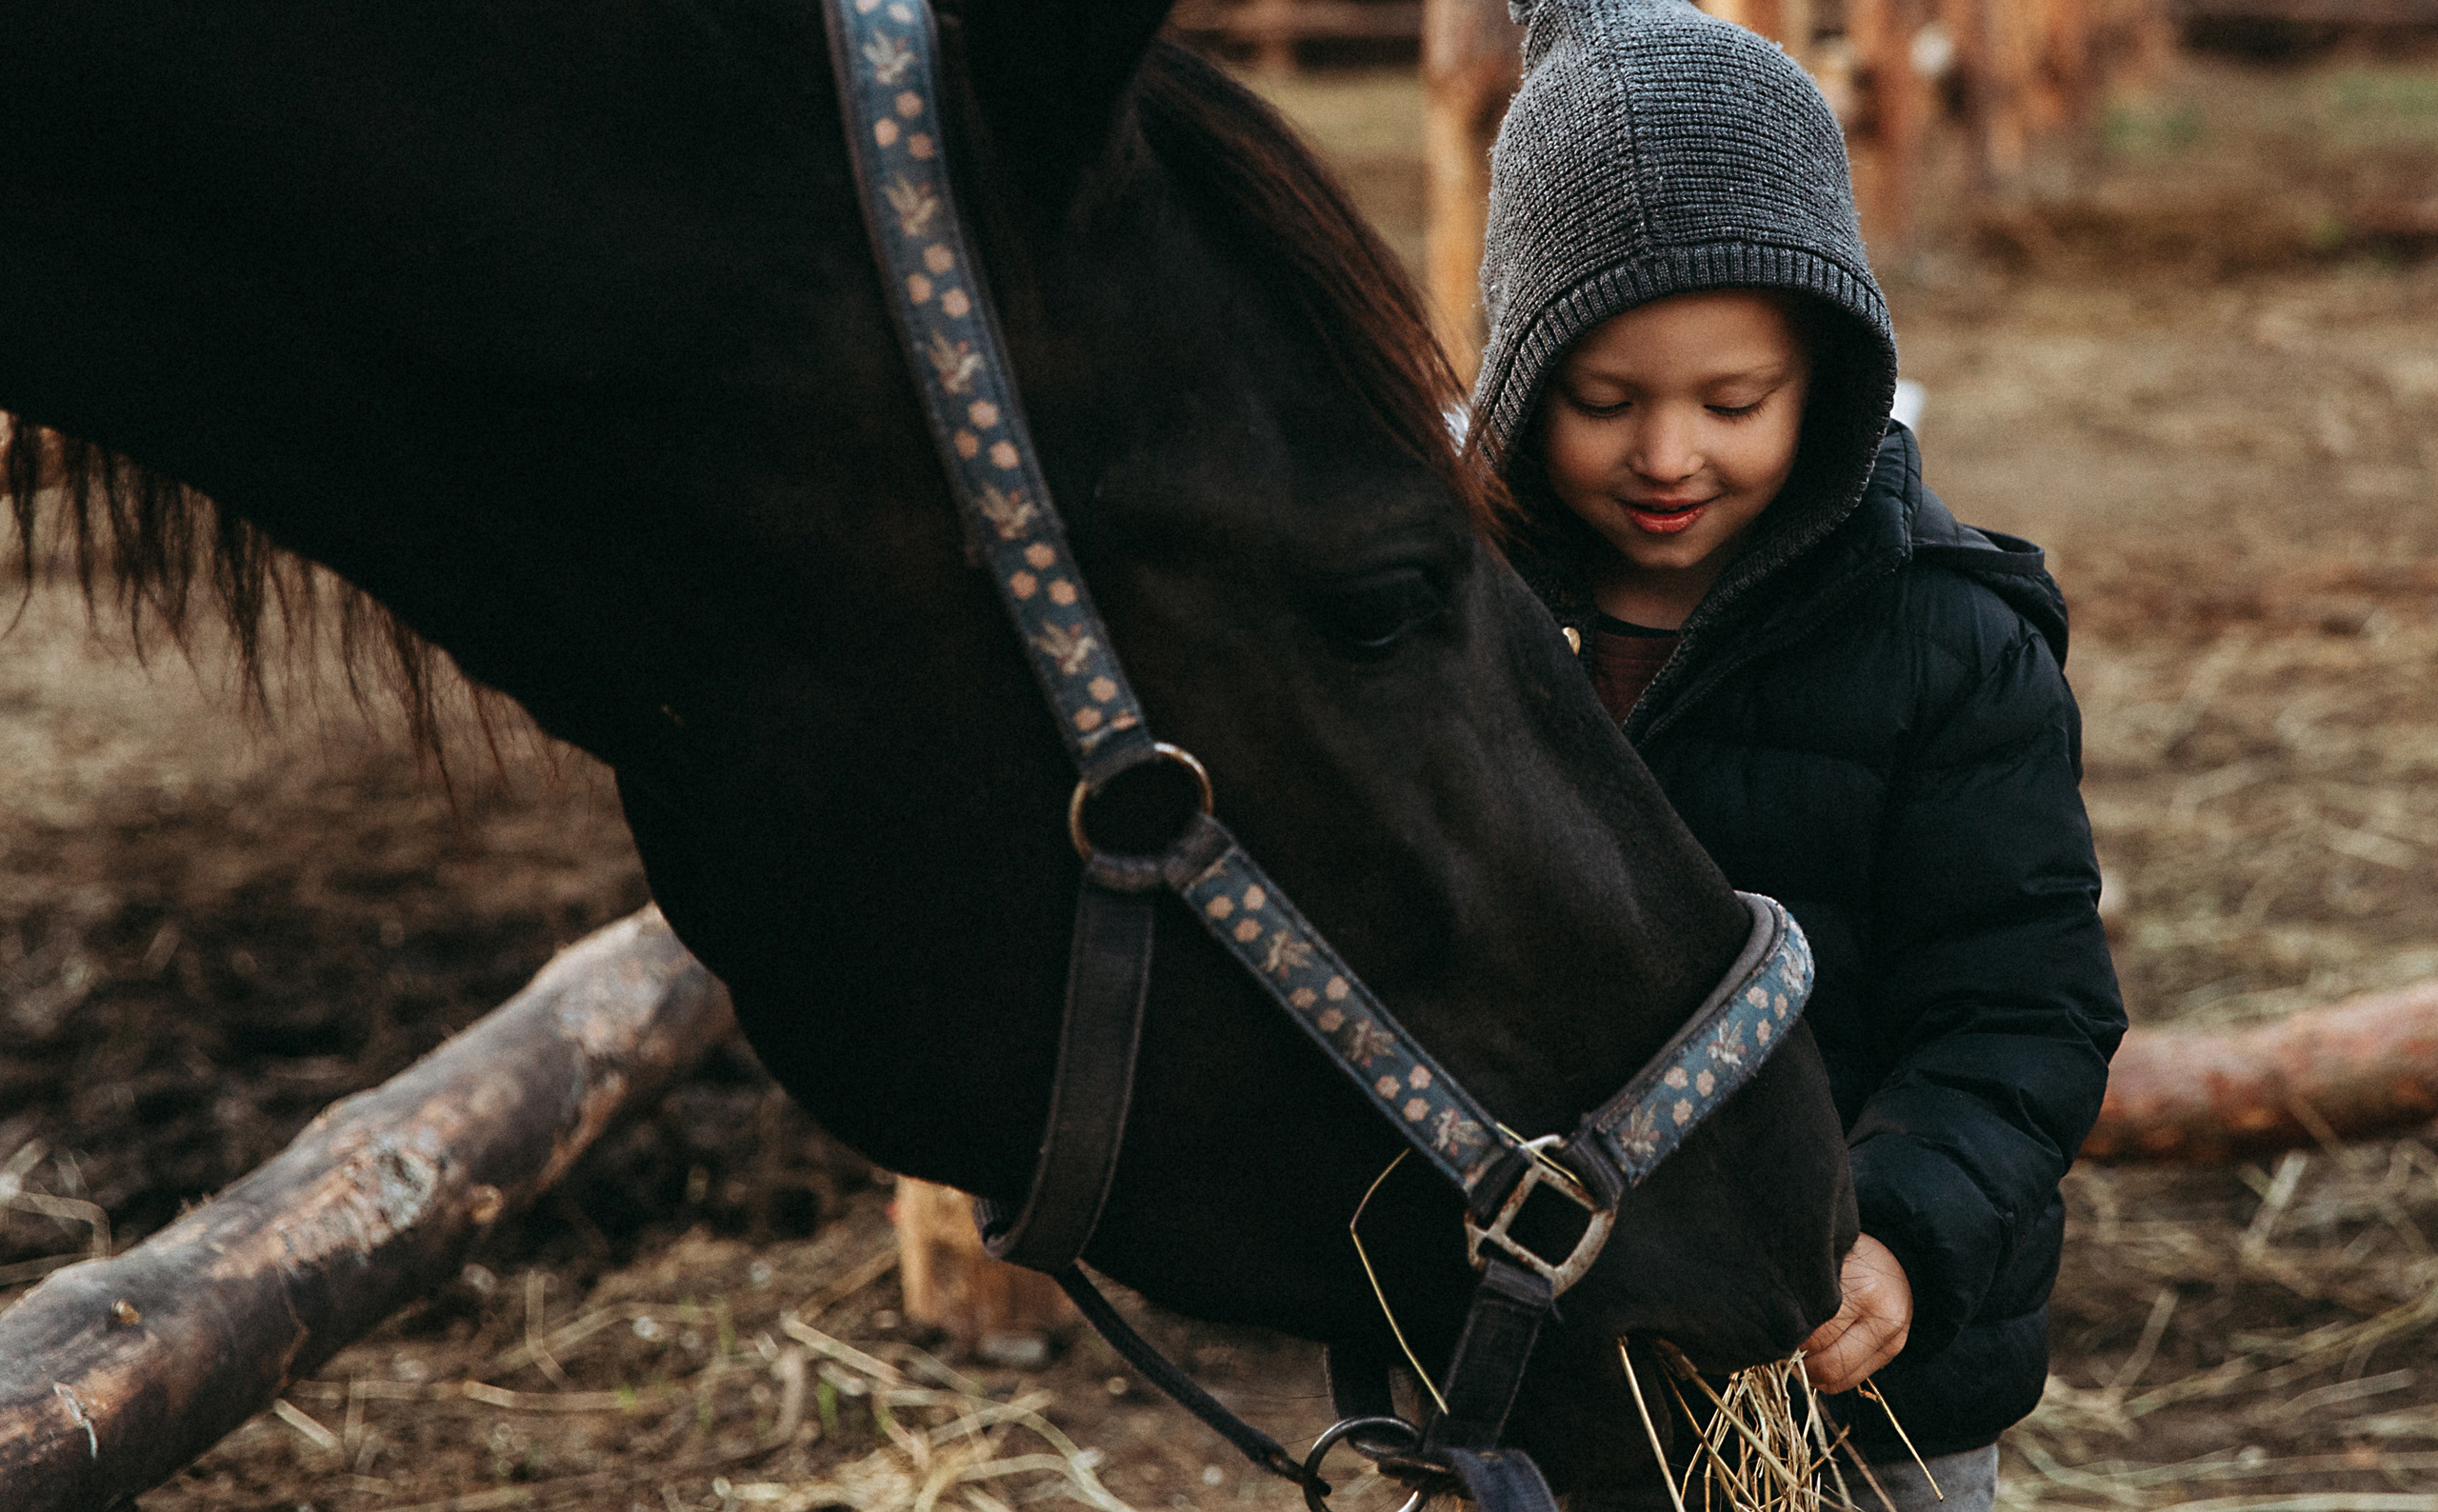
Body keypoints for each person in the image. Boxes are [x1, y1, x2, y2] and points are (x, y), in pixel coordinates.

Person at [1469, 2, 2126, 1506]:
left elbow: (2020, 1011)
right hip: (1533, 1375)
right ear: (1519, 377)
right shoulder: (1463, 629)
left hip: (1852, 1392)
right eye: (1602, 401)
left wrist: (1898, 1234)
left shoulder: (1949, 645)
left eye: (1733, 403)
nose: (1668, 456)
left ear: (1826, 374)